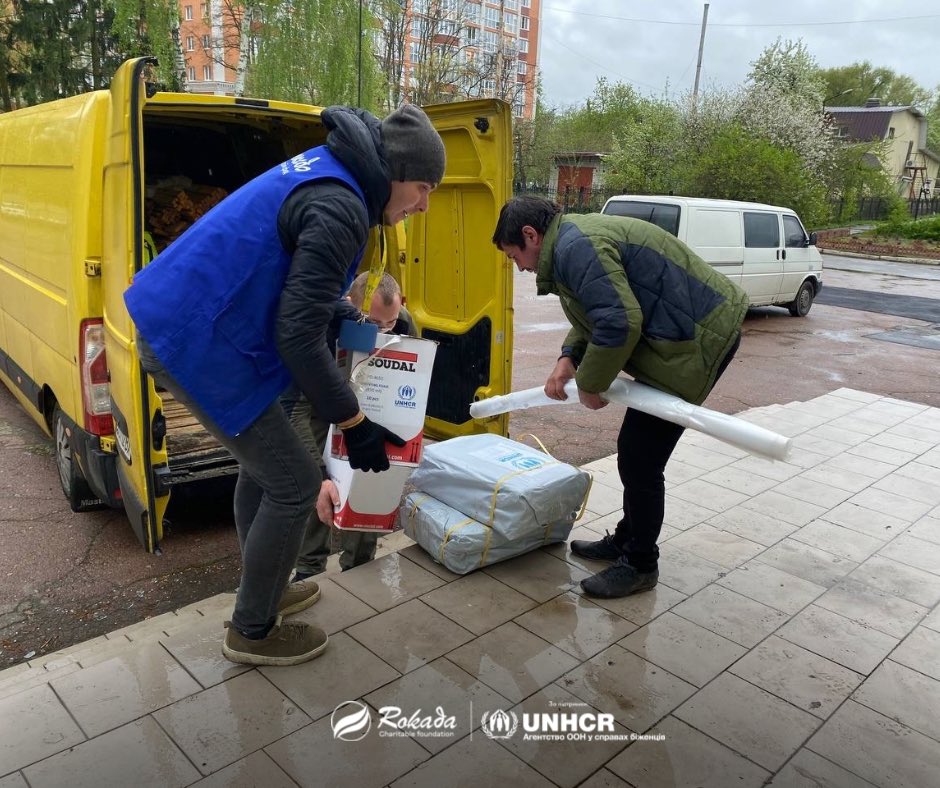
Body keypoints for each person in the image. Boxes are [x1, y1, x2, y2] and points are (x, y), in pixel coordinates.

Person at [124, 104, 446, 665]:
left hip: (200, 328)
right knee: (295, 482)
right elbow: (296, 335)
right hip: (194, 340)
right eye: (422, 187)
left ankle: (264, 587)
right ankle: (251, 630)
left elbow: (308, 298)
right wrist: (354, 422)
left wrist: (362, 332)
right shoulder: (342, 204)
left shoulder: (339, 178)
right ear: (396, 172)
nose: (424, 203)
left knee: (264, 468)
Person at [492, 196, 747, 599]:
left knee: (641, 459)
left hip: (698, 339)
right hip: (683, 334)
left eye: (514, 256)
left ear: (530, 235)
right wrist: (568, 358)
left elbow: (618, 320)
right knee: (635, 451)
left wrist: (591, 383)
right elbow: (596, 312)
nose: (519, 267)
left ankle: (640, 563)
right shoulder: (571, 242)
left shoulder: (576, 247)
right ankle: (629, 541)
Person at [286, 272, 417, 580]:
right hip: (318, 404)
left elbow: (412, 374)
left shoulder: (402, 321)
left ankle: (359, 563)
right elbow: (297, 410)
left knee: (369, 474)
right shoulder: (320, 327)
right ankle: (309, 568)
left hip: (370, 401)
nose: (383, 332)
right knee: (319, 484)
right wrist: (316, 474)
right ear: (349, 307)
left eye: (390, 323)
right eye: (372, 324)